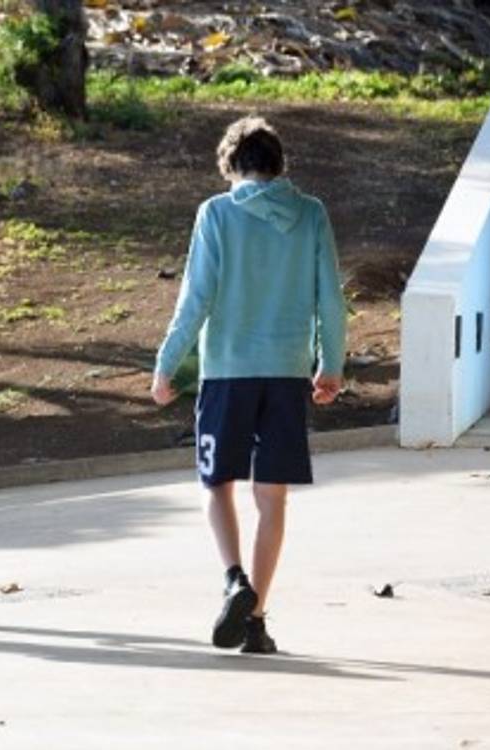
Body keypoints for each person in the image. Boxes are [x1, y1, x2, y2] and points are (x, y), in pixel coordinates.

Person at [151, 116, 347, 654]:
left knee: (216, 484)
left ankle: (234, 578)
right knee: (272, 497)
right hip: (286, 372)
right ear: (279, 166)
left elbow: (197, 298)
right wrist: (331, 365)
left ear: (230, 166)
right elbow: (330, 295)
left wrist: (168, 363)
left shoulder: (216, 213)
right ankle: (256, 619)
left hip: (228, 371)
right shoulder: (310, 214)